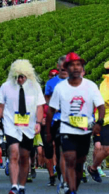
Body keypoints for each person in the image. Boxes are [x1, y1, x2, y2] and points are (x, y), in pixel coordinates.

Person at [48, 52, 105, 194]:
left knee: (79, 163)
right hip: (66, 128)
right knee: (69, 157)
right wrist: (47, 131)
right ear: (67, 68)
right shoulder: (59, 88)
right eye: (72, 65)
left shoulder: (90, 86)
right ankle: (70, 188)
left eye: (78, 65)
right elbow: (50, 110)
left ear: (82, 68)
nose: (75, 68)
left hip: (85, 130)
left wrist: (99, 122)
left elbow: (101, 106)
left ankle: (74, 186)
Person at [0, 60, 46, 194]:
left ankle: (22, 186)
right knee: (13, 153)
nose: (20, 79)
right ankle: (14, 186)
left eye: (22, 76)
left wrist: (38, 122)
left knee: (24, 156)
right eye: (17, 76)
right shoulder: (6, 87)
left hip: (28, 126)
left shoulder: (35, 87)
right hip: (11, 124)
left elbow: (40, 106)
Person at [44, 56, 69, 188]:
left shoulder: (77, 81)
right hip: (58, 120)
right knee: (62, 151)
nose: (65, 70)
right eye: (63, 68)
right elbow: (46, 97)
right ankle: (64, 179)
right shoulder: (51, 83)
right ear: (58, 67)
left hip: (74, 121)